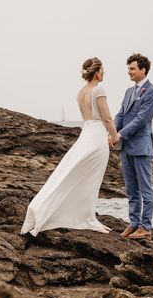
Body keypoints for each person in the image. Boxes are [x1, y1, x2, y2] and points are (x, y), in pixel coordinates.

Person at [21, 58, 120, 236]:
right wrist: (115, 136)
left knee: (71, 174)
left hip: (86, 135)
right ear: (97, 72)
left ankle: (76, 215)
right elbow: (107, 118)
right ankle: (87, 218)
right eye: (103, 70)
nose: (104, 73)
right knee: (90, 179)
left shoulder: (81, 92)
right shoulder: (99, 89)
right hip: (97, 137)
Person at [111, 53, 153, 240]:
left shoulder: (152, 92)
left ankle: (145, 227)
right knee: (131, 189)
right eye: (129, 69)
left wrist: (119, 134)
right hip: (126, 148)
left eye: (132, 69)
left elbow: (141, 119)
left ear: (143, 69)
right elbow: (120, 114)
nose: (129, 72)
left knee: (146, 189)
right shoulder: (128, 92)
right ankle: (133, 223)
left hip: (141, 147)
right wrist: (114, 131)